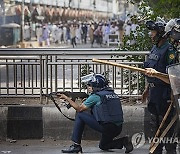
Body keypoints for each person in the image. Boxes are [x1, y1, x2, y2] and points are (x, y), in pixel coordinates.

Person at [58, 74, 133, 153]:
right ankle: (124, 141)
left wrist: (66, 98)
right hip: (118, 128)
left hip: (106, 127)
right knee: (103, 146)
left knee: (80, 115)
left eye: (90, 85)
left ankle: (76, 145)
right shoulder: (113, 94)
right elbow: (104, 109)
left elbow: (79, 109)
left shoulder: (96, 96)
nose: (89, 87)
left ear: (96, 86)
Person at [142, 19, 179, 154]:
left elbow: (173, 75)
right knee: (154, 125)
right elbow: (150, 69)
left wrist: (157, 75)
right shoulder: (155, 48)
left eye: (153, 32)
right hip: (154, 93)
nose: (151, 34)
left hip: (165, 94)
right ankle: (156, 150)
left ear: (161, 34)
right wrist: (147, 89)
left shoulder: (169, 50)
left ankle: (170, 150)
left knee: (167, 127)